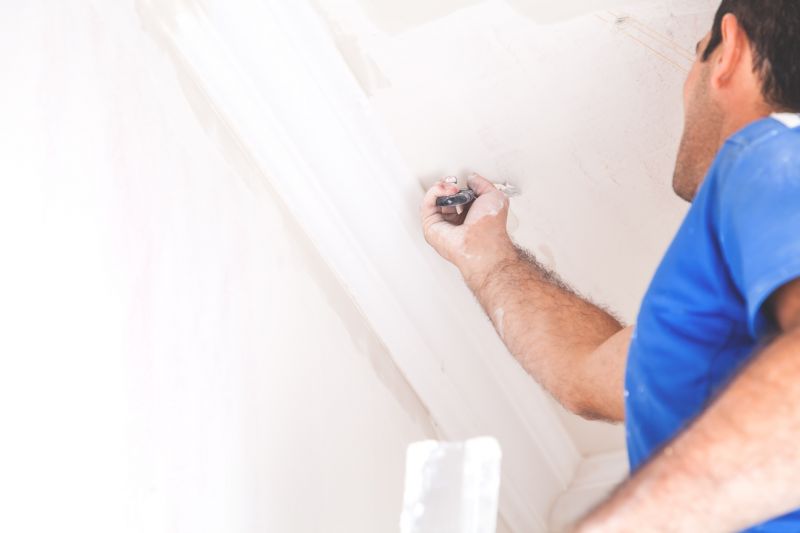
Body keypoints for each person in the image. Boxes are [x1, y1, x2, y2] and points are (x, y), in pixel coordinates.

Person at [420, 1, 800, 530]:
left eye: (696, 56)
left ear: (728, 51)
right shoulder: (722, 317)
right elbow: (590, 374)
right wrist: (486, 255)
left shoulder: (779, 152)